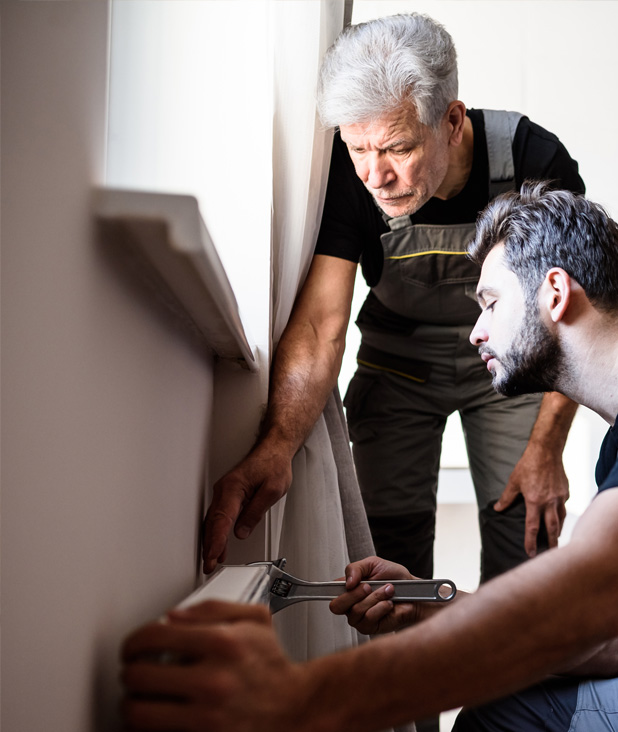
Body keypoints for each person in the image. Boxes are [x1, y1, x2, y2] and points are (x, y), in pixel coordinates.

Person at [122, 184, 618, 732]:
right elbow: (605, 645)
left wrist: (301, 699)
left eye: (488, 302)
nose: (475, 331)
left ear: (554, 291)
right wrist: (430, 604)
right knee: (503, 716)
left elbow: (590, 600)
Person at [201, 13, 585, 583]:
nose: (374, 175)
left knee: (526, 539)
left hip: (509, 366)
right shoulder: (347, 176)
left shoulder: (534, 162)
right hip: (398, 369)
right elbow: (320, 325)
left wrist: (549, 448)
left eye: (397, 148)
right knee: (387, 561)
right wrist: (277, 445)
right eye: (358, 148)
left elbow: (574, 316)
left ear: (451, 121)